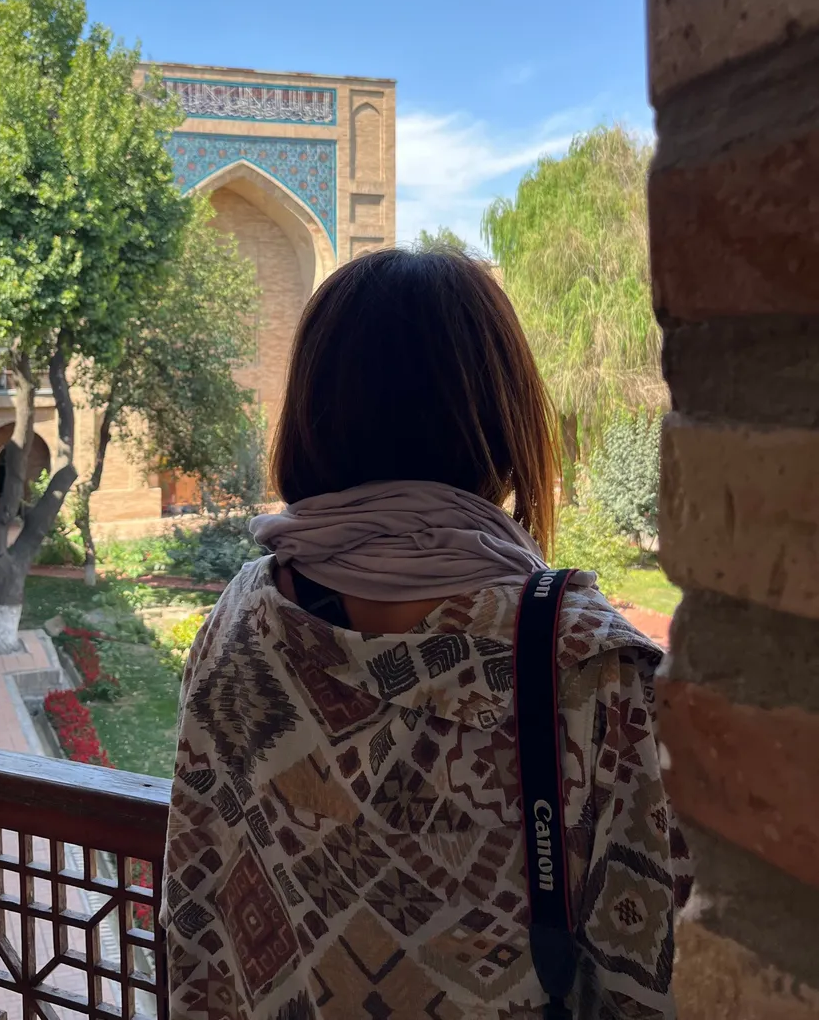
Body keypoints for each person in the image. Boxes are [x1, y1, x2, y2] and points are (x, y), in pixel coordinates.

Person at [162, 247, 690, 1020]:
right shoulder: (589, 667)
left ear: (314, 412)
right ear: (499, 417)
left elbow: (196, 919)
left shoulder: (241, 622)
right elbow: (650, 981)